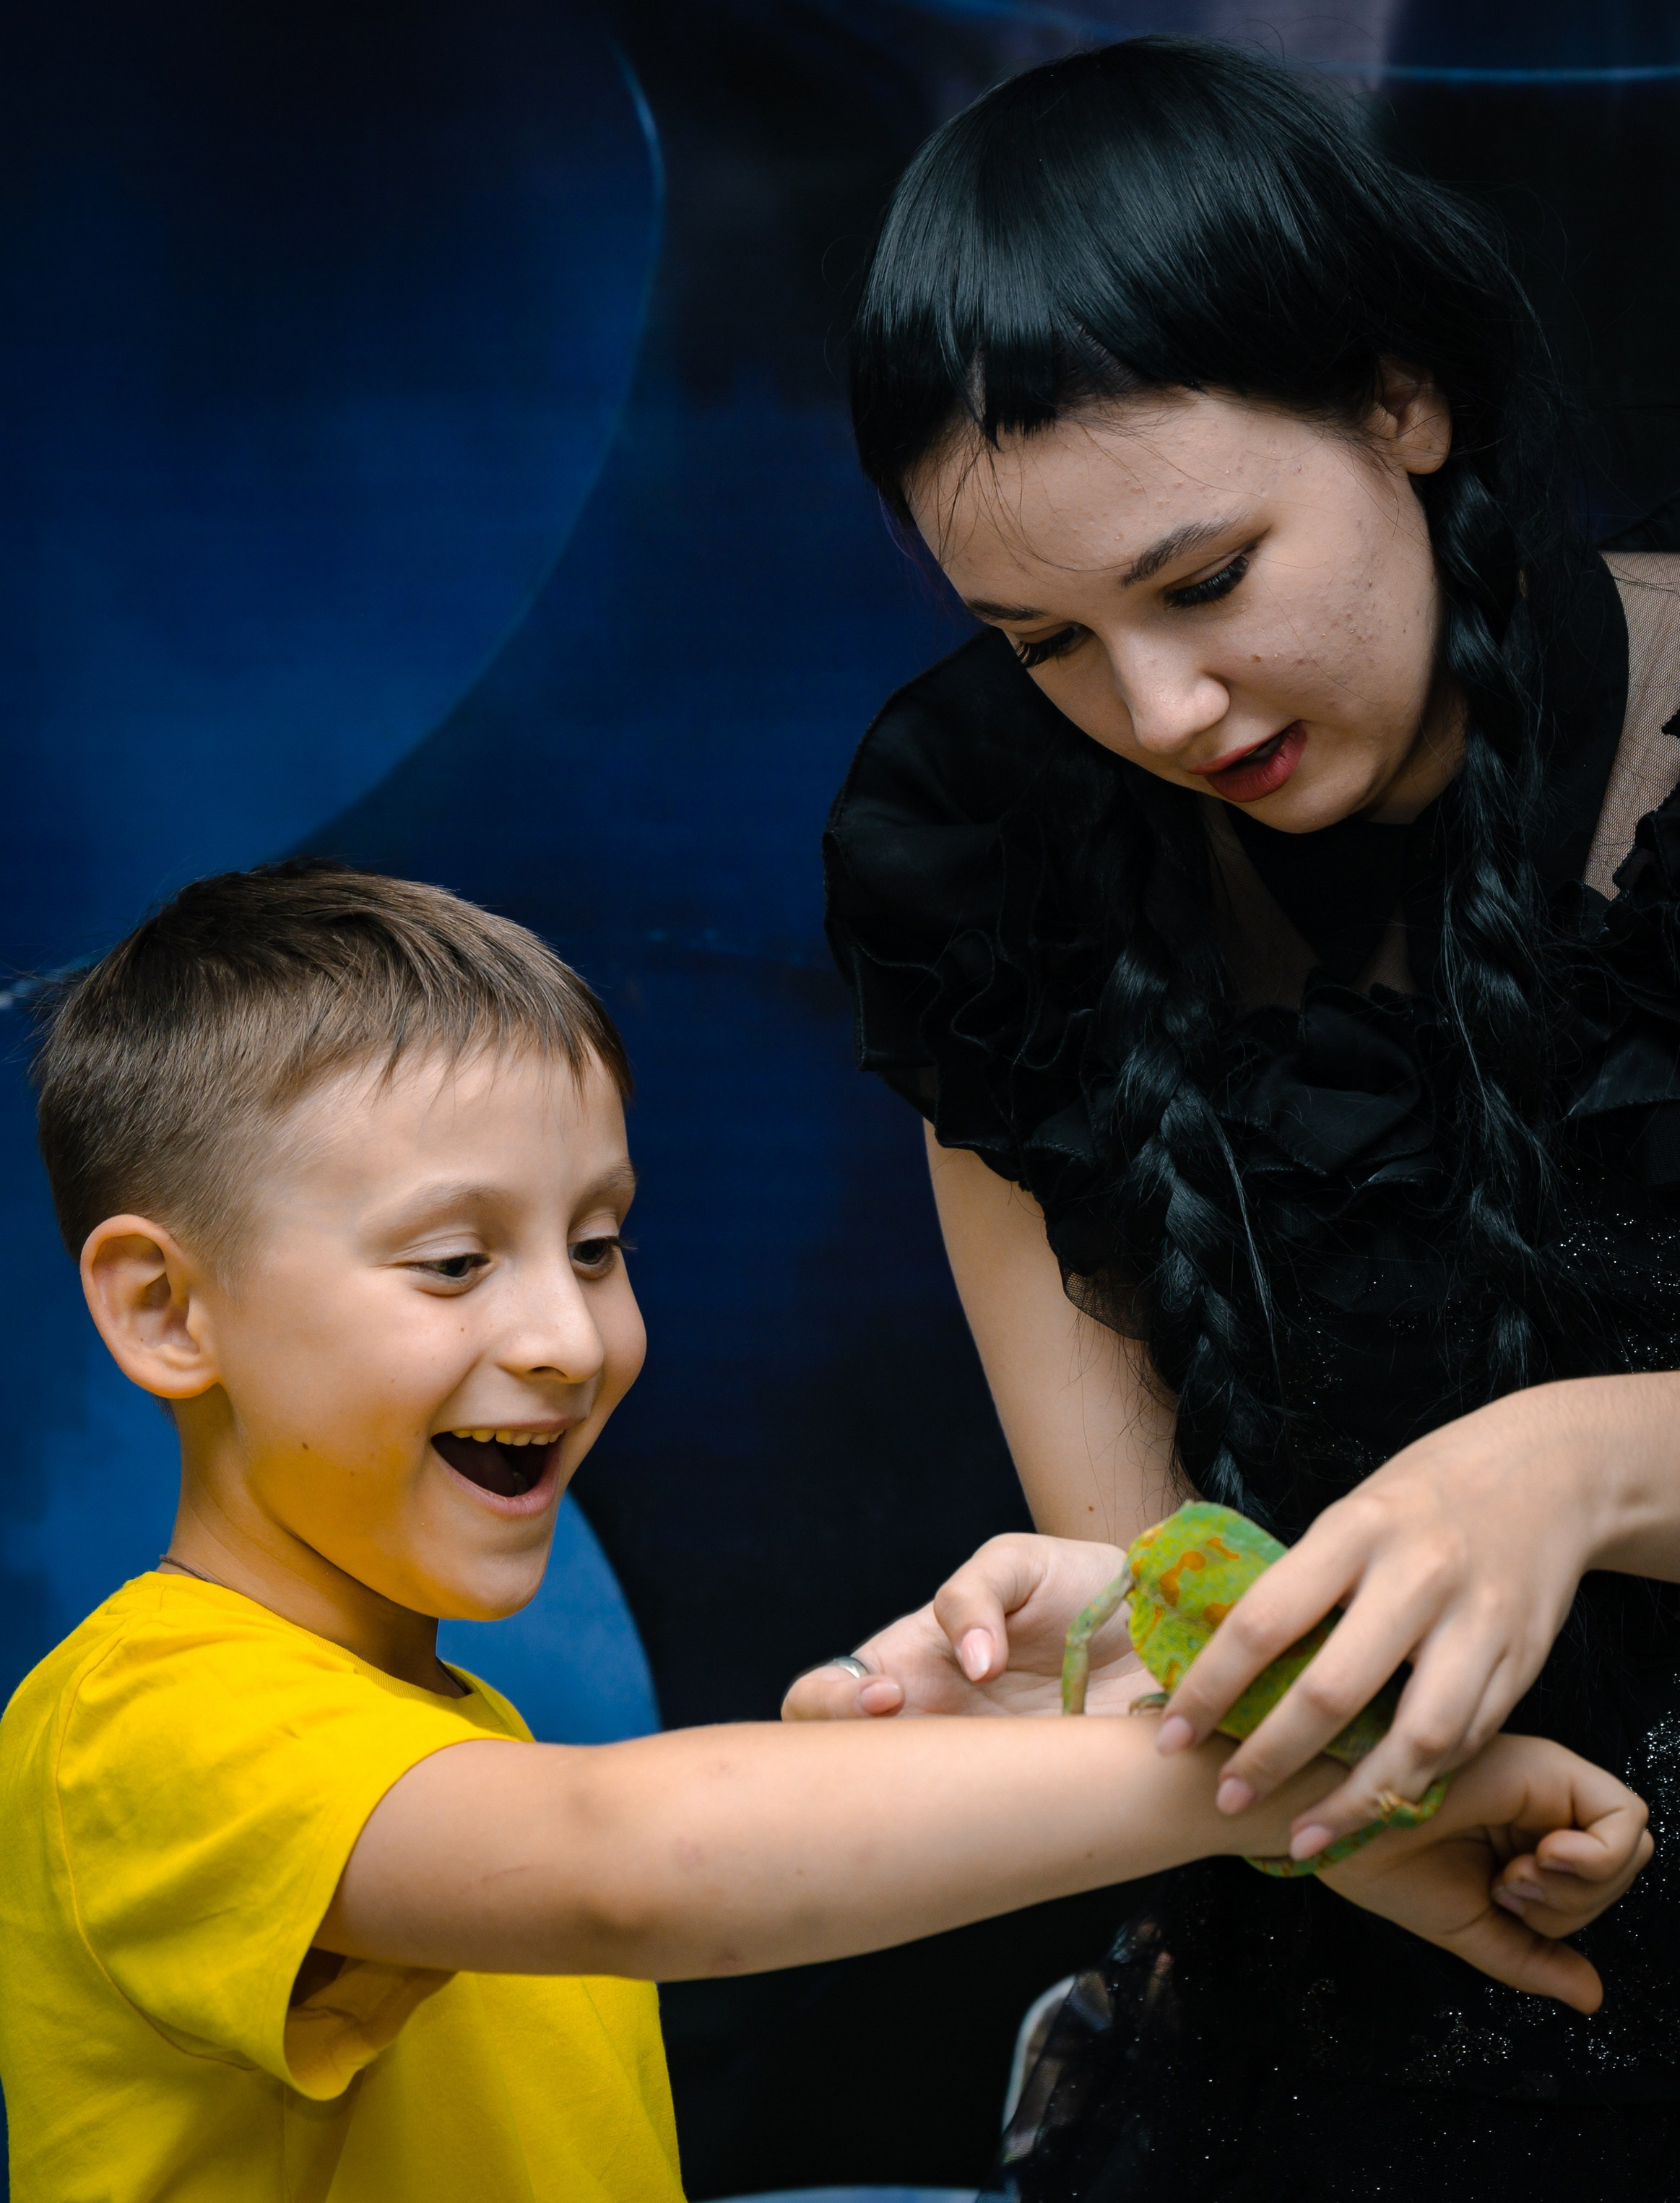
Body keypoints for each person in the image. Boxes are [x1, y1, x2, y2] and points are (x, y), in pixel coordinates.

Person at [1, 860, 1640, 2202]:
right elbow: (629, 1863)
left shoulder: (427, 1727)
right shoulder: (137, 1726)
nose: (572, 1338)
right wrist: (1267, 1784)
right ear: (165, 1307)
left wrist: (1281, 1790)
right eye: (452, 1263)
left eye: (596, 1244)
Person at [806, 33, 1680, 2200]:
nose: (1156, 714)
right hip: (1310, 2021)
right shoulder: (977, 854)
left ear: (1399, 399)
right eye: (1043, 644)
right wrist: (1301, 1789)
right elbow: (1141, 1577)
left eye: (1199, 581)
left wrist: (1571, 1465)